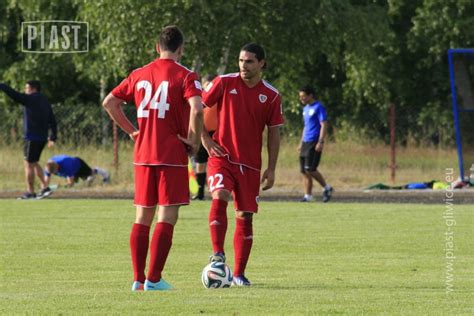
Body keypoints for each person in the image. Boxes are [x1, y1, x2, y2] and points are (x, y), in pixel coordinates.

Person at [102, 25, 203, 291]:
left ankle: (137, 279)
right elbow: (197, 108)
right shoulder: (187, 76)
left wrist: (132, 131)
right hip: (171, 154)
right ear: (181, 49)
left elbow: (109, 102)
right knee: (167, 216)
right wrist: (193, 139)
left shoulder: (138, 74)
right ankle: (154, 279)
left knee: (142, 217)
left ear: (157, 47)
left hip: (143, 154)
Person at [201, 43, 284, 286]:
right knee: (220, 195)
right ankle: (218, 254)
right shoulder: (224, 82)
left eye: (249, 61)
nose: (243, 66)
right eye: (240, 61)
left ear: (261, 64)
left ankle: (238, 274)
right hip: (221, 156)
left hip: (250, 165)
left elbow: (274, 134)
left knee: (245, 215)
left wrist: (271, 168)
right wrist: (205, 139)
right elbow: (196, 110)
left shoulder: (271, 95)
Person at [0, 80, 57, 199]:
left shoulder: (30, 99)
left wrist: (2, 85)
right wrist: (52, 137)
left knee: (28, 164)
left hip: (32, 137)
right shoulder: (45, 101)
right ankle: (44, 187)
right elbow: (53, 120)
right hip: (42, 137)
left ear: (33, 89)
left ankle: (30, 192)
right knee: (34, 162)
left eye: (26, 88)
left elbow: (13, 94)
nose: (25, 91)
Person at [297, 85, 333, 203]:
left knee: (311, 169)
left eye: (303, 96)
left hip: (314, 141)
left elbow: (324, 124)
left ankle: (327, 188)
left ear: (310, 95)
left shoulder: (318, 107)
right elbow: (305, 126)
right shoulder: (305, 109)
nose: (301, 99)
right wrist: (301, 142)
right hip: (306, 142)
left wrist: (321, 141)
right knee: (304, 171)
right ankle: (308, 195)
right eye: (300, 97)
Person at [192, 74, 217, 200]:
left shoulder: (219, 97)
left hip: (217, 133)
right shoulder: (199, 98)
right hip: (202, 133)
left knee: (218, 162)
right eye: (208, 84)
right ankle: (200, 192)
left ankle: (218, 191)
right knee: (200, 163)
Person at [43, 154, 110, 191]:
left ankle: (104, 173)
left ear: (57, 166)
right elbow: (45, 182)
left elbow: (70, 183)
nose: (54, 174)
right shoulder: (48, 167)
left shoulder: (67, 165)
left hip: (79, 165)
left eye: (55, 172)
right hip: (71, 170)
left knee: (90, 174)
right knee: (84, 182)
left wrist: (57, 187)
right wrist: (45, 189)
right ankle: (89, 179)